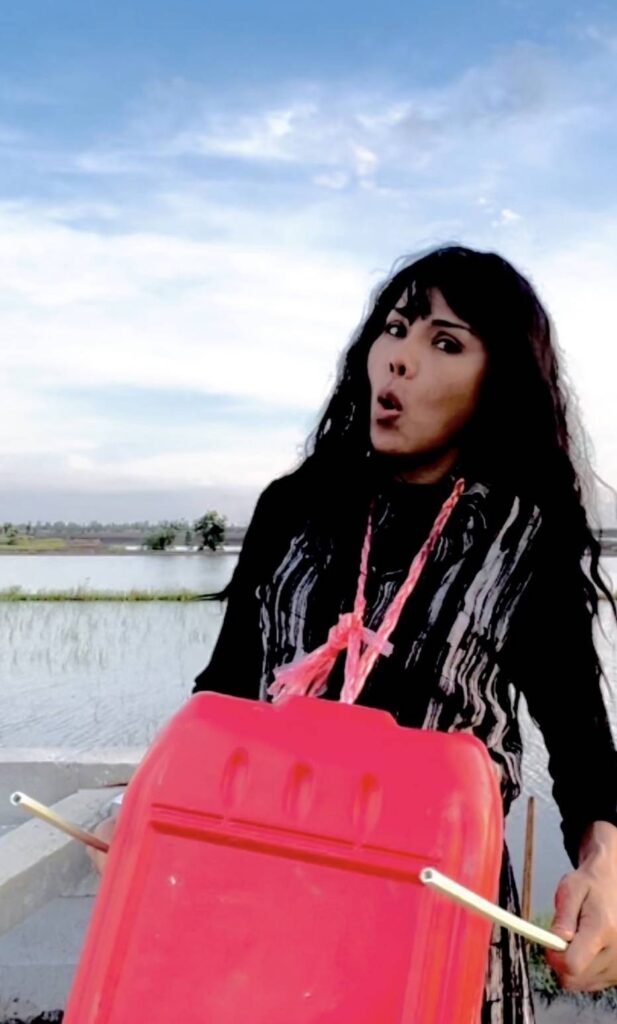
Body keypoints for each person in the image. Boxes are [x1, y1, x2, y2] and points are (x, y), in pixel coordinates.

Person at [94, 245, 617, 1022]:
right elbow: (223, 697)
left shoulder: (521, 541)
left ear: (495, 382)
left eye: (444, 342)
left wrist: (604, 869)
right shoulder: (293, 509)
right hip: (261, 904)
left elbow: (582, 751)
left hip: (438, 920)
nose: (399, 358)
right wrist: (150, 811)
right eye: (394, 329)